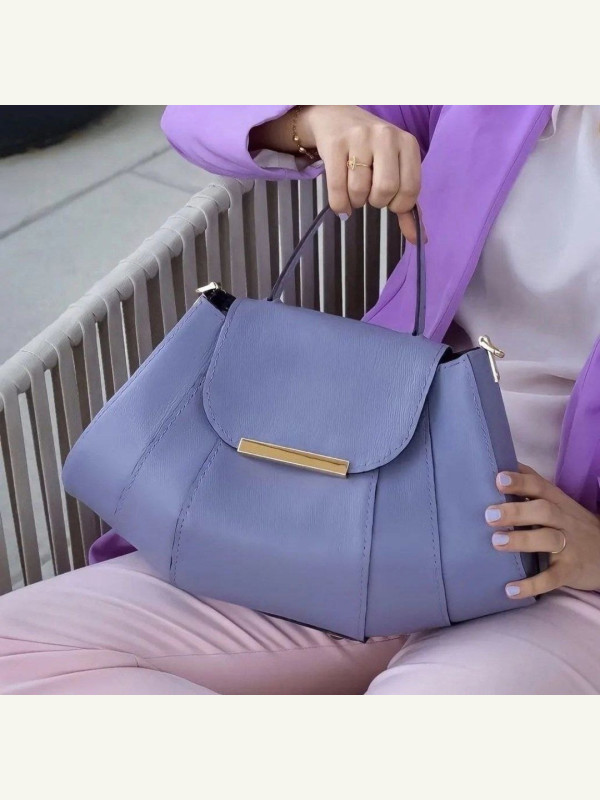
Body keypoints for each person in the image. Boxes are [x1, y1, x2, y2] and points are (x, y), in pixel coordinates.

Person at [1, 105, 600, 694]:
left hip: (557, 571)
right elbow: (197, 110)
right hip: (360, 497)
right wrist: (314, 120)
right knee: (16, 648)